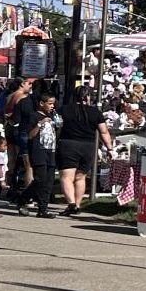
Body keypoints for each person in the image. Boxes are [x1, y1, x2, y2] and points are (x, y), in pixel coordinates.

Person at [56, 83, 113, 216]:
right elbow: (104, 132)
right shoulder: (95, 112)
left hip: (68, 144)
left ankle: (71, 204)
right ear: (88, 97)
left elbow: (57, 127)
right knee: (80, 177)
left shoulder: (64, 110)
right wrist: (109, 148)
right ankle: (77, 204)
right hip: (88, 146)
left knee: (66, 177)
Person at [25, 91, 61, 217]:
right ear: (42, 103)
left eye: (53, 104)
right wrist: (40, 124)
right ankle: (37, 206)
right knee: (40, 180)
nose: (52, 106)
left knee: (49, 181)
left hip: (50, 152)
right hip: (38, 152)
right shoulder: (33, 116)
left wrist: (58, 124)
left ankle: (40, 207)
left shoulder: (53, 117)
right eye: (50, 103)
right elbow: (30, 135)